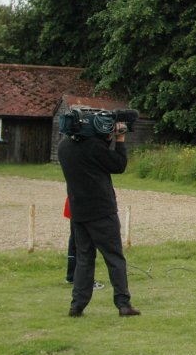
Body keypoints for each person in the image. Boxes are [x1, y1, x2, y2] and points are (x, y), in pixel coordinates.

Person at [57, 119, 140, 317]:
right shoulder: (93, 147)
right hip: (102, 210)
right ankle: (123, 304)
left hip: (78, 210)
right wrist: (119, 139)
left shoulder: (64, 147)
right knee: (114, 258)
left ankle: (77, 304)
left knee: (84, 258)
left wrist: (104, 137)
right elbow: (118, 165)